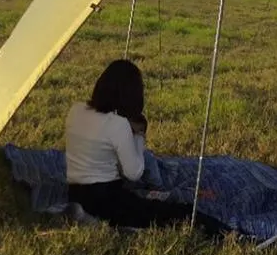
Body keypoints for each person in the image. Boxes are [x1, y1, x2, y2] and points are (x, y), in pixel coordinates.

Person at [65, 59, 232, 237]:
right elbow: (134, 172)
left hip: (74, 192)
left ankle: (84, 214)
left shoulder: (76, 110)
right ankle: (232, 236)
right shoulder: (118, 124)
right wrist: (138, 135)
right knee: (179, 213)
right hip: (105, 198)